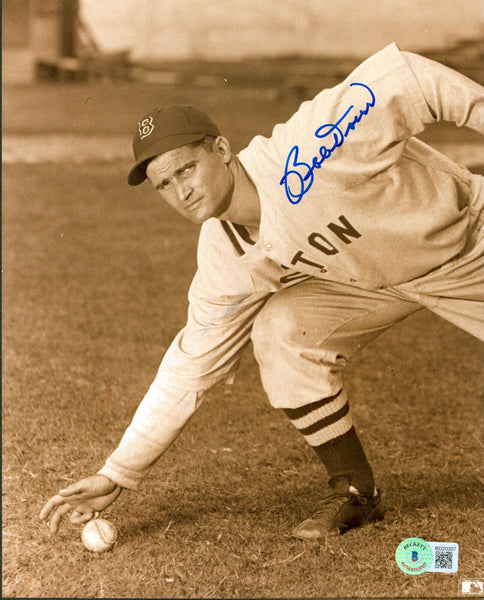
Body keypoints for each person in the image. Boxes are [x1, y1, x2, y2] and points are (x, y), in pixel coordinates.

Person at [40, 42, 484, 540]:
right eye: (164, 184)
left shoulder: (309, 150)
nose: (180, 191)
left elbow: (410, 78)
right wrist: (118, 471)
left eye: (186, 169)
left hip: (466, 245)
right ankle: (356, 493)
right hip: (373, 281)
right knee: (281, 331)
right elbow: (192, 367)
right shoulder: (222, 254)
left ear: (223, 151)